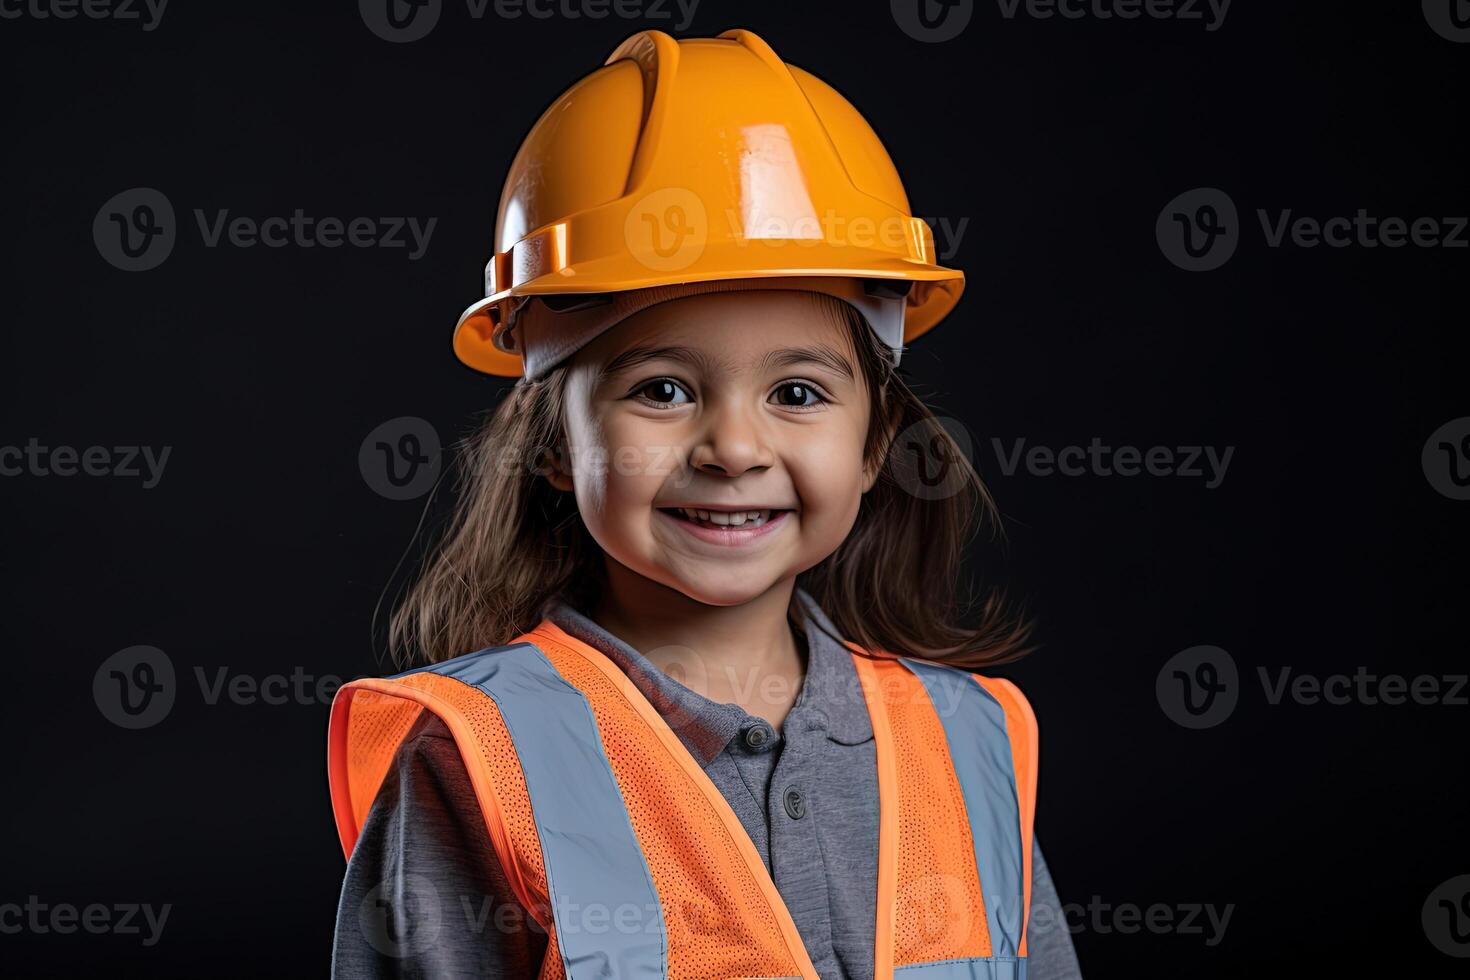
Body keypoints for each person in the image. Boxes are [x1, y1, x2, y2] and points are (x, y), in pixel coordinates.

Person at [328, 27, 1082, 980]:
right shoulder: (481, 760)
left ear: (873, 447)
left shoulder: (969, 742)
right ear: (556, 445)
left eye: (798, 394)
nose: (733, 448)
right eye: (663, 389)